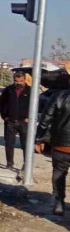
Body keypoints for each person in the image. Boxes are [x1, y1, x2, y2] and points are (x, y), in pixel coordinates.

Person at [35, 80, 70, 216]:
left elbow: (45, 120)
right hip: (61, 143)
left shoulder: (59, 96)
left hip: (61, 145)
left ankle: (59, 204)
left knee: (58, 173)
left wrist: (39, 139)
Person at [0, 72, 31, 170]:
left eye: (21, 81)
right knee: (9, 143)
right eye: (16, 81)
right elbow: (1, 104)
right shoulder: (8, 90)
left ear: (25, 80)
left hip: (24, 122)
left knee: (26, 144)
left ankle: (26, 164)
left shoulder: (30, 91)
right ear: (14, 80)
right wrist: (5, 117)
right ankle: (9, 164)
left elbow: (37, 106)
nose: (19, 83)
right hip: (10, 122)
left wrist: (30, 118)